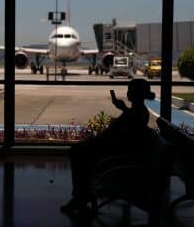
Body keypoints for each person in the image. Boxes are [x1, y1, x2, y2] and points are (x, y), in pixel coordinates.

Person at [60, 78, 156, 216]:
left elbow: (119, 135)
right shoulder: (139, 111)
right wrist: (122, 109)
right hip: (115, 150)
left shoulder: (137, 112)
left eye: (130, 90)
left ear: (134, 94)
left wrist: (121, 110)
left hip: (115, 155)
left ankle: (80, 197)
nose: (128, 93)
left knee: (77, 153)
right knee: (78, 151)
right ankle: (81, 195)